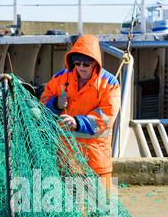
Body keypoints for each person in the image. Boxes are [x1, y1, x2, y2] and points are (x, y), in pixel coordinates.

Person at [40, 34, 121, 195]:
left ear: (95, 63)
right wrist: (55, 103)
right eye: (77, 63)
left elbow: (107, 116)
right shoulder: (59, 78)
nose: (81, 67)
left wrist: (77, 122)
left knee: (102, 211)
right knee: (73, 212)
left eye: (86, 63)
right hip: (66, 158)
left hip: (96, 160)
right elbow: (43, 104)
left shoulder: (110, 83)